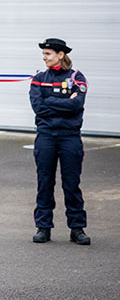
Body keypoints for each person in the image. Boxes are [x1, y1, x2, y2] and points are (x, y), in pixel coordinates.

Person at [29, 38, 90, 245]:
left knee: (72, 183)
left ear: (60, 55)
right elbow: (39, 107)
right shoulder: (38, 78)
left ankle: (77, 229)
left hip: (70, 137)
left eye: (48, 54)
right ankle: (43, 227)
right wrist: (64, 104)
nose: (44, 58)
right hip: (46, 136)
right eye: (43, 54)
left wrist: (52, 102)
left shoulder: (76, 77)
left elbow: (77, 104)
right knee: (45, 182)